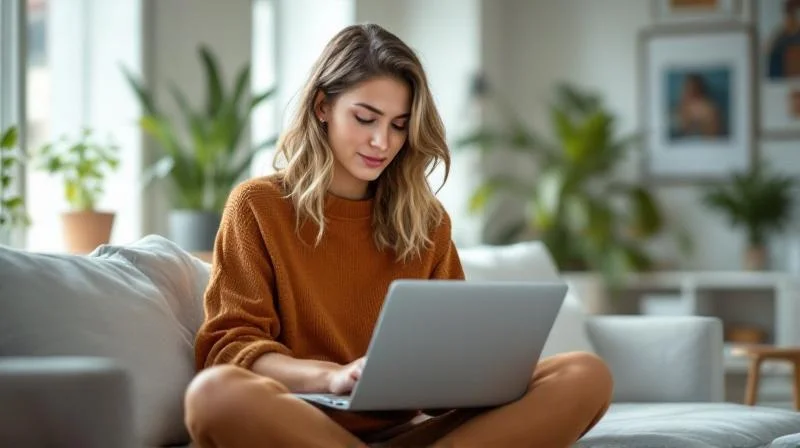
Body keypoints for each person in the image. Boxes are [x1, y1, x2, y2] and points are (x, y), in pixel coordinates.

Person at [184, 23, 613, 448]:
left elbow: (450, 360)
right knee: (214, 394)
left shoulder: (427, 222)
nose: (381, 142)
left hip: (409, 434)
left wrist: (466, 376)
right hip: (299, 427)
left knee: (585, 373)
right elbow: (231, 348)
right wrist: (332, 377)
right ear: (322, 106)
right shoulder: (258, 206)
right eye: (365, 118)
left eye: (399, 125)